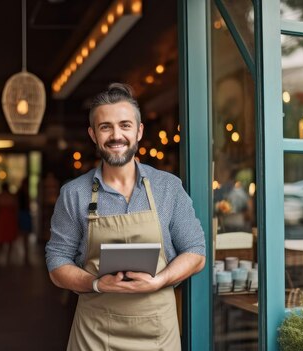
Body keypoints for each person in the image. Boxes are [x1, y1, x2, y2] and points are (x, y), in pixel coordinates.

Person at [45, 83, 206, 350]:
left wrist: (161, 280)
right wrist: (95, 283)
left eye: (125, 125)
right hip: (94, 335)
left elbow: (196, 252)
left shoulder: (169, 187)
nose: (115, 135)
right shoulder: (74, 194)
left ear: (139, 131)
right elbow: (56, 261)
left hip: (157, 334)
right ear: (93, 135)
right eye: (105, 127)